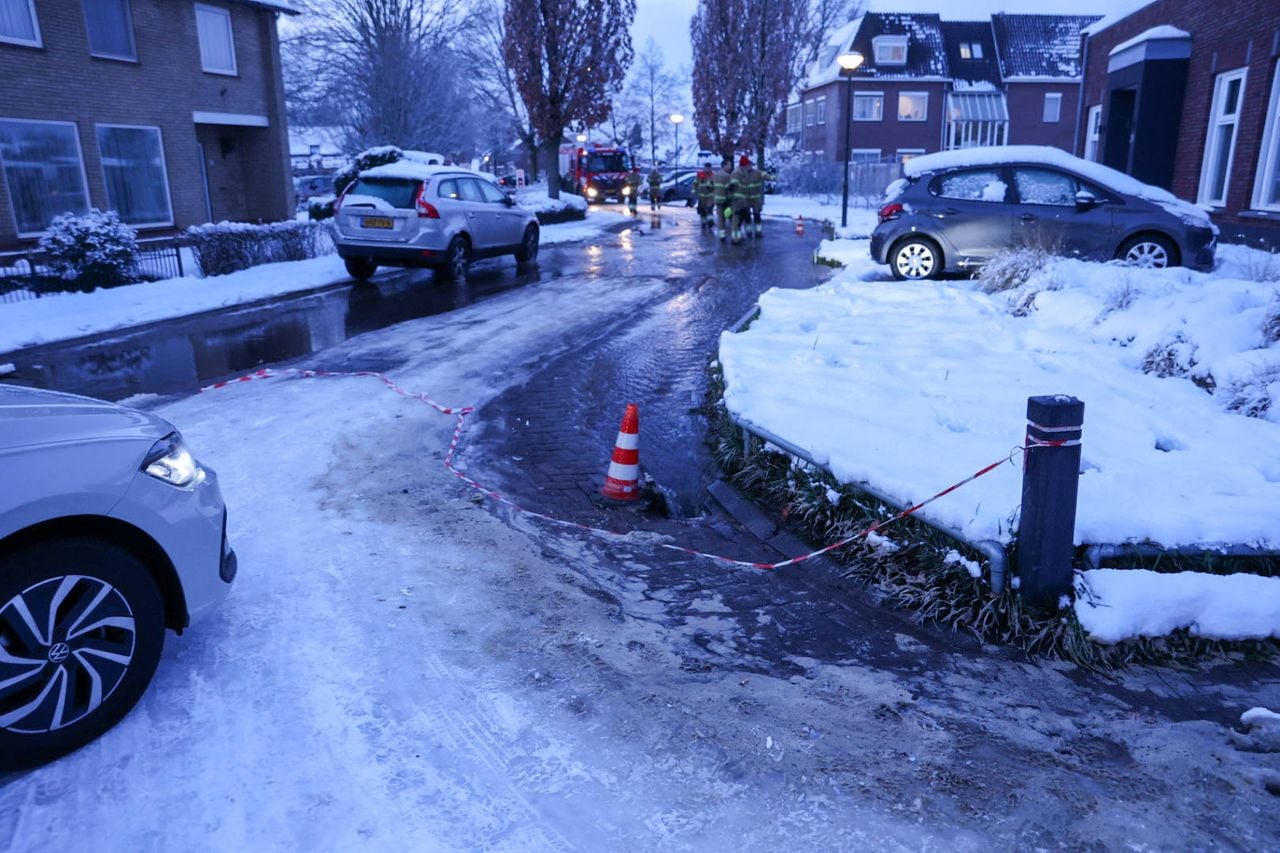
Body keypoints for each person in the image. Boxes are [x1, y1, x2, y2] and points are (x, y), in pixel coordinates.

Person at [737, 155, 766, 237]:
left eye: (750, 165)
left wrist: (772, 177)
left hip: (755, 199)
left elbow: (764, 174)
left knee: (757, 216)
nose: (749, 167)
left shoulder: (757, 173)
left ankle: (758, 232)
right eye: (747, 165)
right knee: (747, 217)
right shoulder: (741, 174)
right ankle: (748, 232)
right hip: (746, 199)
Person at [730, 155, 755, 244]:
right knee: (736, 220)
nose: (749, 166)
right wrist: (733, 200)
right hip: (738, 201)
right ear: (744, 164)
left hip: (742, 201)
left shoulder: (743, 172)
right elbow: (732, 186)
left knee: (739, 220)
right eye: (748, 164)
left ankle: (738, 238)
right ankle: (735, 239)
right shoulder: (737, 173)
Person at [711, 158, 735, 241]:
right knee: (731, 219)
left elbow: (710, 186)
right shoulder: (727, 176)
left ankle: (722, 236)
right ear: (724, 165)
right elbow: (730, 188)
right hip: (726, 201)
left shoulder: (714, 175)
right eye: (729, 165)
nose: (731, 167)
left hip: (718, 201)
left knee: (721, 219)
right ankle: (734, 236)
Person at [694, 164, 715, 230]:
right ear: (704, 168)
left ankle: (710, 222)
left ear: (710, 168)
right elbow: (695, 183)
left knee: (709, 209)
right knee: (702, 210)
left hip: (710, 196)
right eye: (706, 168)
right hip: (701, 196)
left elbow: (715, 185)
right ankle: (703, 222)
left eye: (708, 168)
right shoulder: (699, 175)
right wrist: (694, 191)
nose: (707, 169)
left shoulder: (713, 176)